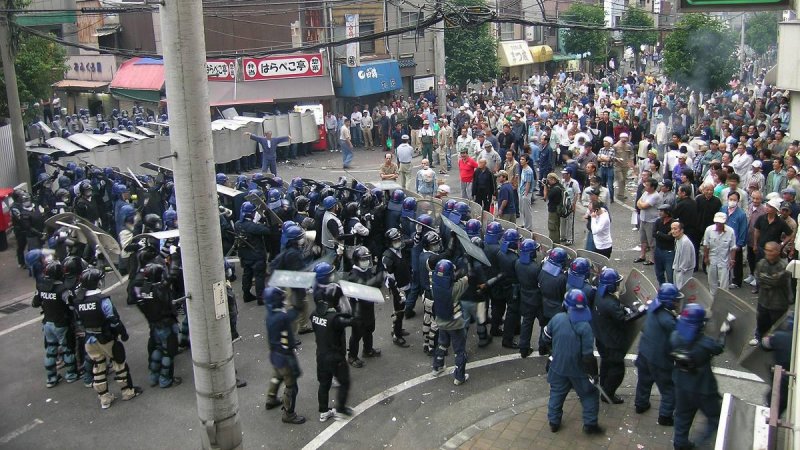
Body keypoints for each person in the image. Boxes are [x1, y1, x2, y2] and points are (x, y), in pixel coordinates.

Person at [74, 268, 143, 409]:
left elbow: (79, 321)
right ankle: (127, 391)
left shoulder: (78, 301)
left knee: (98, 367)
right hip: (106, 338)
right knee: (119, 363)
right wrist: (123, 333)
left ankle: (104, 398)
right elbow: (114, 320)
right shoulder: (102, 300)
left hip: (88, 339)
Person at [542, 289, 603, 435]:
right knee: (589, 395)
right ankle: (590, 424)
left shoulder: (557, 319)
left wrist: (555, 351)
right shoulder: (585, 327)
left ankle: (554, 422)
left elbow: (546, 339)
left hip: (558, 366)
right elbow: (588, 356)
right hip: (579, 370)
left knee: (556, 393)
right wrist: (594, 374)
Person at [670, 303, 728, 450]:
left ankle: (680, 443)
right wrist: (723, 333)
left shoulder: (675, 336)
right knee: (714, 418)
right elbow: (718, 348)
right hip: (702, 386)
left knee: (682, 416)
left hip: (681, 383)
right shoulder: (705, 343)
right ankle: (701, 443)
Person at [311, 263, 355, 422]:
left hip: (321, 351)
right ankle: (341, 408)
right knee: (345, 381)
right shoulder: (335, 317)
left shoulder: (313, 314)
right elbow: (348, 315)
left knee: (323, 383)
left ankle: (323, 411)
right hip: (335, 351)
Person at [634, 283, 682, 426]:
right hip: (659, 359)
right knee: (668, 388)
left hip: (644, 352)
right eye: (675, 300)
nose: (677, 303)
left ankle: (640, 404)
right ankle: (665, 416)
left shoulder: (653, 307)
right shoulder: (668, 320)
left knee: (644, 381)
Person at [594, 268, 644, 404]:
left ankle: (603, 388)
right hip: (612, 342)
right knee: (617, 371)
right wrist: (638, 312)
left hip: (601, 338)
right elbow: (623, 319)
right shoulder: (610, 303)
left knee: (605, 364)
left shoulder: (600, 295)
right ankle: (608, 394)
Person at [132, 262, 182, 389]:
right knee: (168, 353)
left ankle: (153, 377)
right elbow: (173, 274)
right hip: (167, 324)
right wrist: (175, 256)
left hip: (154, 325)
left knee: (157, 350)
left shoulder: (144, 290)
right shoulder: (160, 289)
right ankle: (165, 379)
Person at [33, 260, 78, 387]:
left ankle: (51, 378)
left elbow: (35, 303)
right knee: (67, 349)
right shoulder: (62, 289)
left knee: (50, 350)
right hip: (61, 324)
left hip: (47, 323)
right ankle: (71, 375)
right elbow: (71, 306)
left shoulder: (41, 287)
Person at [263, 287, 305, 424]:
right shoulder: (281, 317)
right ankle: (289, 413)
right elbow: (294, 312)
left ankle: (271, 397)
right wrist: (298, 295)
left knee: (277, 375)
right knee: (291, 385)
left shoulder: (270, 315)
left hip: (275, 354)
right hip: (285, 355)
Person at [430, 259, 471, 385]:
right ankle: (459, 376)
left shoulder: (433, 285)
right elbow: (467, 278)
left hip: (441, 321)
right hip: (455, 324)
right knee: (459, 350)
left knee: (442, 344)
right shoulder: (456, 288)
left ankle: (437, 367)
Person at [346, 246, 383, 367]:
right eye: (363, 259)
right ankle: (352, 356)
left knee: (369, 329)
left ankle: (368, 350)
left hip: (368, 307)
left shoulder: (366, 270)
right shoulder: (353, 276)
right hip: (358, 310)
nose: (366, 261)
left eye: (368, 259)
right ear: (357, 260)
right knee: (357, 334)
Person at [750, 241, 792, 346]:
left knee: (779, 327)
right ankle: (759, 337)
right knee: (762, 323)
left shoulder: (784, 266)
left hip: (778, 303)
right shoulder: (761, 263)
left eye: (770, 250)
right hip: (763, 301)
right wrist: (770, 279)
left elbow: (777, 281)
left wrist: (767, 279)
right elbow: (759, 279)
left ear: (777, 252)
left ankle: (778, 345)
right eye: (766, 250)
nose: (767, 252)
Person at [235, 202, 270, 305]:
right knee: (259, 277)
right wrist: (262, 219)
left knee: (247, 275)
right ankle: (261, 298)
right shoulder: (253, 227)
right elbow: (267, 230)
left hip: (245, 255)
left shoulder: (237, 224)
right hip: (256, 255)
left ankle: (246, 294)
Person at [382, 228, 412, 347]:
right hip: (398, 289)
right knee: (398, 312)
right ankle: (397, 336)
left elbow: (414, 241)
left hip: (405, 283)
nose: (399, 241)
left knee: (400, 311)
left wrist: (419, 232)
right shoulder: (388, 257)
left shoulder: (400, 249)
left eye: (399, 239)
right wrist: (398, 293)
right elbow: (390, 279)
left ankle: (397, 329)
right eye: (396, 240)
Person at [517, 239, 543, 357]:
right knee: (544, 322)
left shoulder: (517, 263)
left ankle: (523, 348)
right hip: (536, 298)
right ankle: (543, 346)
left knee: (526, 323)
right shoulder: (535, 267)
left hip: (524, 296)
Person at [702, 212, 737, 297]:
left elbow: (733, 247)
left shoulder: (730, 231)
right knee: (712, 282)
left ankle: (723, 301)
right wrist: (706, 257)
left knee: (724, 285)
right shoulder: (709, 230)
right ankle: (713, 300)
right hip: (712, 259)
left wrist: (732, 260)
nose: (718, 225)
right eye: (717, 223)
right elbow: (706, 244)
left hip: (724, 260)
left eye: (720, 223)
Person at [720, 192, 748, 289]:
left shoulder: (741, 214)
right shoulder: (723, 209)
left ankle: (737, 281)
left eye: (734, 200)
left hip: (735, 242)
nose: (732, 201)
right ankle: (724, 278)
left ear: (738, 201)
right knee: (724, 260)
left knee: (736, 262)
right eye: (730, 199)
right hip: (723, 240)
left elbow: (743, 230)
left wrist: (740, 244)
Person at [636, 179, 661, 265]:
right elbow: (638, 203)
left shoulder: (655, 196)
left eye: (647, 185)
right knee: (643, 239)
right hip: (643, 219)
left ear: (652, 187)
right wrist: (641, 204)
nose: (645, 186)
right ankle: (642, 256)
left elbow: (643, 205)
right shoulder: (645, 193)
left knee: (651, 241)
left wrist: (641, 204)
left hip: (651, 221)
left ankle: (652, 259)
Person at [654, 205, 676, 284]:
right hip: (658, 250)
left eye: (662, 211)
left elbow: (671, 238)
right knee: (659, 273)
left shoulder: (673, 223)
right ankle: (662, 289)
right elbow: (654, 234)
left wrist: (659, 233)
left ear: (668, 213)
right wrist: (665, 235)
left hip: (669, 252)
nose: (660, 213)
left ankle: (671, 291)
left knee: (670, 275)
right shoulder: (658, 221)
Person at [671, 221, 696, 289]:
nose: (673, 231)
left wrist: (681, 271)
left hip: (683, 271)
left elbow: (686, 260)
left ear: (681, 230)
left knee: (682, 290)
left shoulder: (685, 242)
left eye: (675, 229)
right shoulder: (677, 239)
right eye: (672, 229)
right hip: (677, 269)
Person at [544, 173, 564, 243]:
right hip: (558, 209)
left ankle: (554, 242)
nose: (548, 181)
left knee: (552, 227)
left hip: (553, 210)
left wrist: (545, 187)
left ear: (553, 179)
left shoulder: (555, 189)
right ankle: (556, 241)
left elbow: (545, 197)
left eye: (548, 180)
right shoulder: (559, 186)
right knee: (556, 226)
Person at [519, 154, 535, 229]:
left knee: (527, 211)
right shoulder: (523, 168)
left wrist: (525, 194)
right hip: (521, 191)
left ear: (527, 161)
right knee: (522, 210)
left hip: (526, 193)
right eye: (521, 159)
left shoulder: (528, 171)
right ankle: (524, 223)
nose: (521, 161)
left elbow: (528, 183)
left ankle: (528, 227)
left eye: (523, 159)